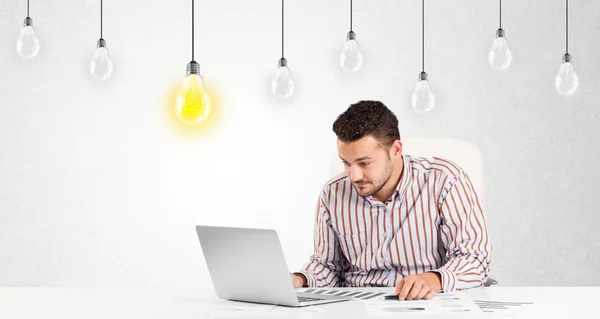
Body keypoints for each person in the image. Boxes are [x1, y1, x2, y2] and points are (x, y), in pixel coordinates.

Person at [290, 100, 492, 301]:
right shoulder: (333, 193)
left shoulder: (444, 180)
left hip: (426, 303)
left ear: (395, 150)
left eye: (364, 163)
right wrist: (297, 279)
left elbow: (474, 258)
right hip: (356, 305)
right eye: (346, 163)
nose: (354, 176)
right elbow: (328, 266)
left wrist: (431, 280)